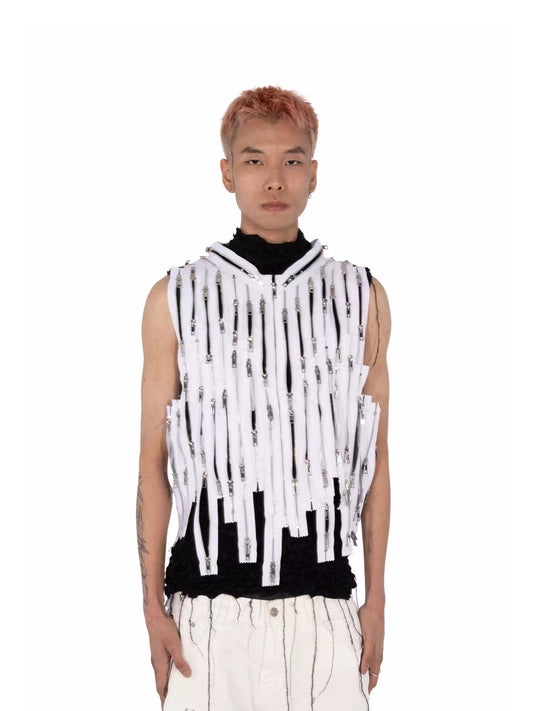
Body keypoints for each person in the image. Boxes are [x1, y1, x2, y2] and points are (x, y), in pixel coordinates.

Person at [137, 85, 391, 710]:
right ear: (227, 173)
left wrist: (377, 599)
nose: (274, 179)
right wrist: (152, 608)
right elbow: (153, 461)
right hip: (206, 619)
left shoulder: (361, 297)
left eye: (291, 160)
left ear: (313, 175)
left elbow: (376, 458)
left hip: (325, 613)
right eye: (254, 160)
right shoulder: (176, 298)